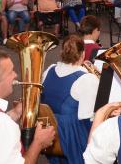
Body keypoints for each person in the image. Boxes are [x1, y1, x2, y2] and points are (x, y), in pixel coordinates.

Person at [40, 34, 100, 163]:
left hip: (49, 130)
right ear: (83, 54)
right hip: (71, 139)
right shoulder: (87, 79)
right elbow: (88, 119)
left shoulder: (49, 70)